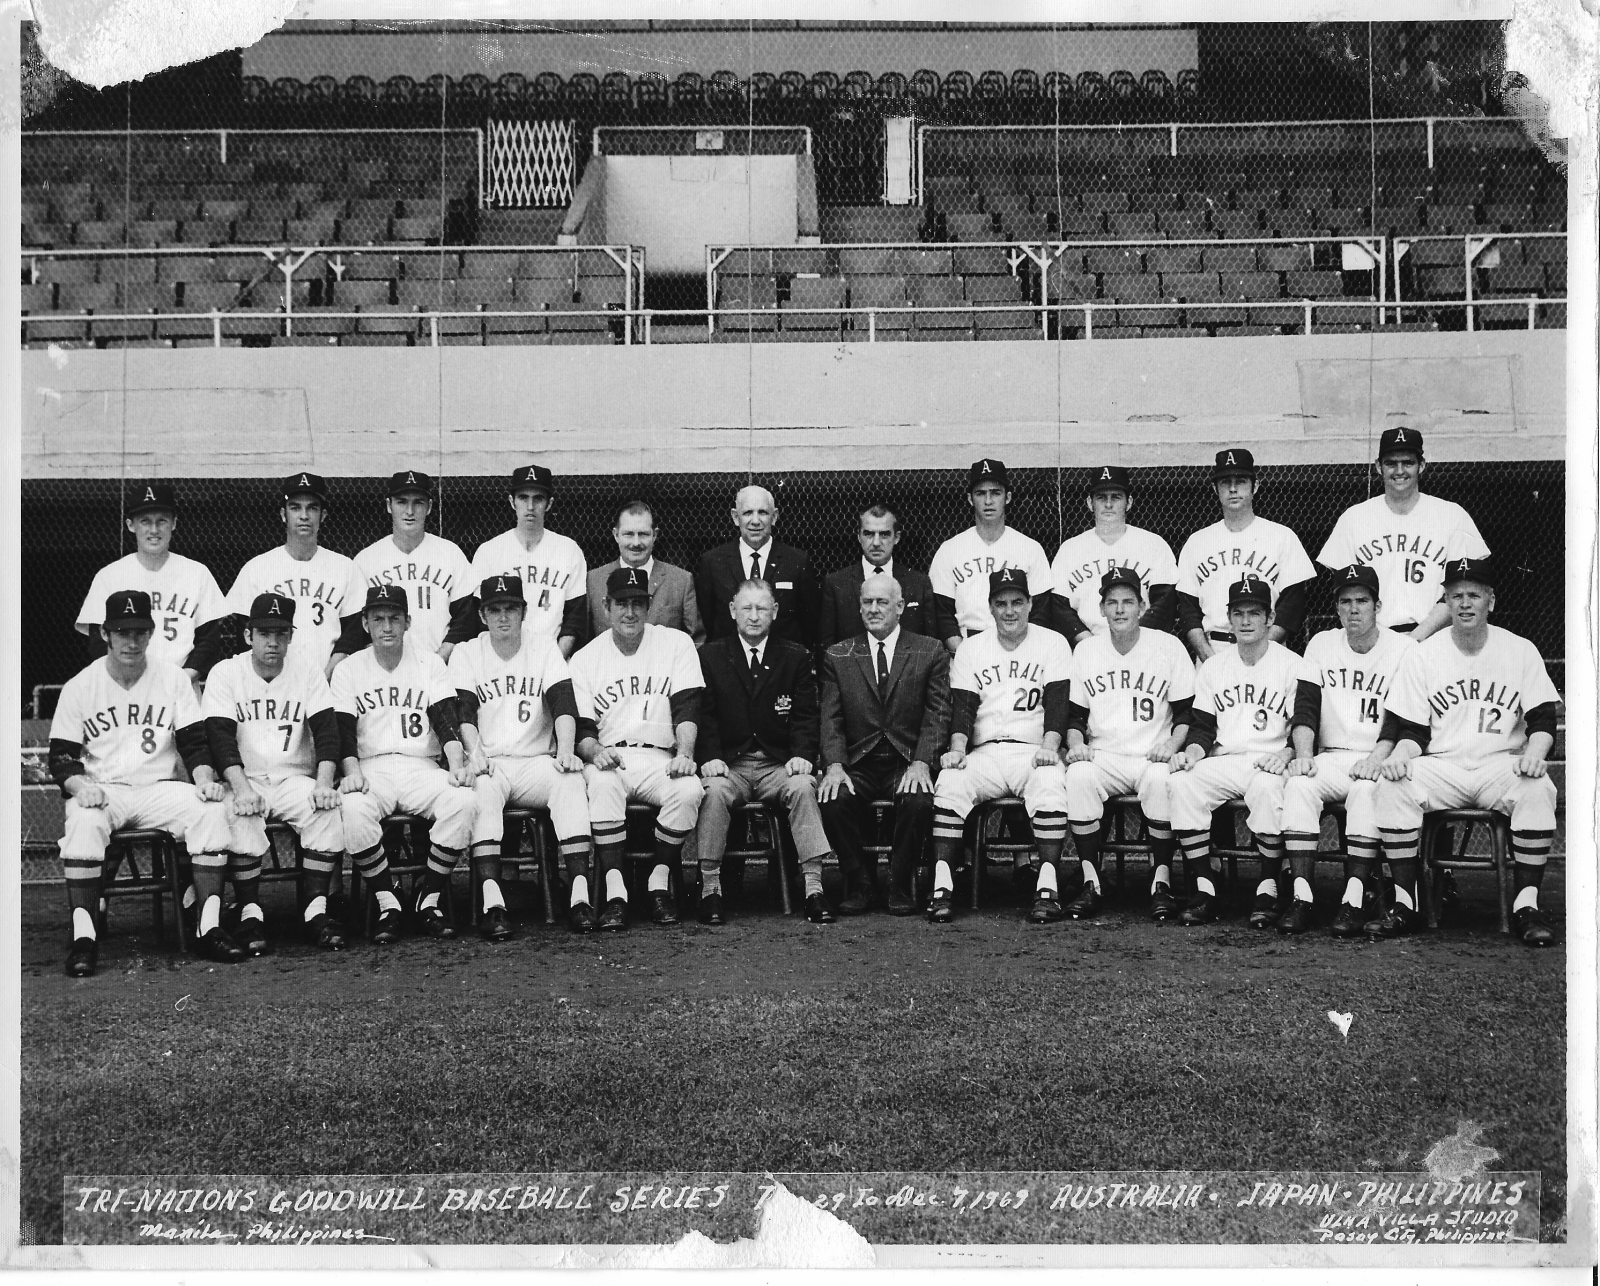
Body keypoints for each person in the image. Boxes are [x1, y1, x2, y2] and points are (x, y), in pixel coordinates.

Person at [1364, 557, 1561, 946]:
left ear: (1491, 600)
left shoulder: (1520, 650)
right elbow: (1414, 731)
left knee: (1538, 788)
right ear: (1446, 602)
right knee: (1391, 787)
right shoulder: (1423, 654)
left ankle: (1527, 905)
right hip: (1444, 766)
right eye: (1456, 596)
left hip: (1499, 764)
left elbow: (1542, 721)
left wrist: (1536, 753)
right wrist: (1401, 756)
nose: (1465, 603)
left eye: (1474, 594)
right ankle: (1407, 903)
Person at [50, 590, 242, 975]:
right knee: (83, 821)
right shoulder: (80, 686)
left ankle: (209, 927)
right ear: (104, 634)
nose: (131, 641)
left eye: (139, 631)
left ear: (152, 633)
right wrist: (79, 786)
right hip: (106, 789)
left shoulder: (172, 679)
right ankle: (84, 938)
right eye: (122, 632)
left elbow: (194, 744)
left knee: (210, 809)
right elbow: (61, 758)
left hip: (159, 788)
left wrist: (204, 779)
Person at [332, 584, 479, 943]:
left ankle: (427, 899)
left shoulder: (429, 663)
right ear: (365, 624)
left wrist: (457, 763)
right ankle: (388, 901)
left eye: (394, 618)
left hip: (421, 767)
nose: (387, 627)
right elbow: (343, 734)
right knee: (351, 808)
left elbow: (445, 720)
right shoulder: (349, 669)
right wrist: (351, 773)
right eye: (378, 619)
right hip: (372, 768)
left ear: (408, 622)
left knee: (464, 801)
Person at [450, 575, 591, 940]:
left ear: (524, 612)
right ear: (482, 615)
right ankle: (493, 903)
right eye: (494, 610)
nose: (502, 617)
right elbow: (463, 713)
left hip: (535, 761)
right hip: (492, 762)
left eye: (510, 608)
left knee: (571, 780)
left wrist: (564, 751)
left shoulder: (543, 648)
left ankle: (579, 896)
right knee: (480, 790)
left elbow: (563, 703)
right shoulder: (468, 652)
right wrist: (475, 754)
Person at [203, 593, 346, 953]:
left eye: (281, 633)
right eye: (264, 633)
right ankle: (250, 912)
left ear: (291, 637)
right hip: (245, 778)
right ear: (248, 635)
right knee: (240, 813)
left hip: (293, 777)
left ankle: (315, 911)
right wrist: (241, 788)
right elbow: (219, 739)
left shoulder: (308, 672)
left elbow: (328, 732)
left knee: (326, 809)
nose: (273, 642)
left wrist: (325, 783)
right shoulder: (226, 673)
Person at [928, 568, 1072, 923]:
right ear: (990, 608)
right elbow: (962, 709)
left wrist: (1051, 747)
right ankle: (942, 886)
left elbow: (1057, 708)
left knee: (1051, 782)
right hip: (986, 751)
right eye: (1001, 603)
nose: (1010, 611)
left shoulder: (1053, 642)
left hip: (1031, 749)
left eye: (1017, 602)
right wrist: (957, 750)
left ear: (1030, 604)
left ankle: (1048, 885)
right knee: (950, 781)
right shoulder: (972, 648)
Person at [570, 567, 706, 932]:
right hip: (610, 755)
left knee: (690, 788)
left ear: (649, 606)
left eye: (637, 604)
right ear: (606, 605)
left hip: (660, 756)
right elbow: (581, 729)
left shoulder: (675, 643)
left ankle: (657, 882)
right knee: (602, 783)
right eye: (621, 604)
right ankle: (616, 892)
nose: (629, 612)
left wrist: (686, 753)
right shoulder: (585, 658)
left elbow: (688, 707)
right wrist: (595, 750)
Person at [1281, 565, 1414, 936]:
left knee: (1366, 790)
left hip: (1380, 755)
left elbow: (1403, 716)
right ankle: (1301, 896)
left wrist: (1376, 759)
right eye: (1345, 602)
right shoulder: (1322, 643)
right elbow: (1305, 707)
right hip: (1332, 754)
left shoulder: (1403, 647)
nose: (1354, 609)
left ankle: (1354, 898)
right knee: (1298, 785)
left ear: (1377, 606)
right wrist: (1304, 755)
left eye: (1362, 601)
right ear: (1336, 608)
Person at [695, 579, 834, 925]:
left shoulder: (795, 655)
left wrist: (802, 753)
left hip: (777, 763)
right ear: (732, 612)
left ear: (774, 612)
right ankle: (710, 889)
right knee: (712, 794)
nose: (754, 616)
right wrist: (710, 755)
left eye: (761, 608)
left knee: (804, 787)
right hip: (731, 765)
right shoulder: (710, 656)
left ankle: (814, 888)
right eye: (747, 608)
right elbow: (705, 714)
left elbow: (805, 714)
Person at [1167, 575, 1303, 926]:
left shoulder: (1292, 663)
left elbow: (1302, 724)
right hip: (1226, 759)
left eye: (1254, 613)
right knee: (1183, 783)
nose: (1245, 621)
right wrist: (1193, 752)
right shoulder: (1214, 666)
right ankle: (1204, 888)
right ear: (1228, 617)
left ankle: (1268, 887)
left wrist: (1287, 754)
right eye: (1239, 613)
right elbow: (1202, 726)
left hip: (1270, 759)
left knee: (1267, 788)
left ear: (1270, 618)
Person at [1060, 568, 1194, 922]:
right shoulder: (1087, 650)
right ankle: (1091, 879)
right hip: (1105, 755)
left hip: (1152, 754)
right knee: (1078, 776)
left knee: (1162, 779)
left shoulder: (1168, 646)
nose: (1120, 610)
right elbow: (1073, 718)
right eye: (1112, 602)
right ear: (1101, 609)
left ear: (1142, 606)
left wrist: (1172, 743)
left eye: (1128, 602)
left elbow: (1186, 713)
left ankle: (1161, 880)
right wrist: (1075, 745)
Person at [819, 571, 951, 915]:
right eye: (867, 602)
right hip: (858, 762)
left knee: (920, 799)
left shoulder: (929, 650)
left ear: (901, 606)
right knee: (833, 800)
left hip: (905, 760)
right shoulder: (839, 654)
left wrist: (922, 762)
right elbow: (830, 718)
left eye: (882, 602)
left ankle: (899, 881)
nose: (874, 609)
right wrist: (834, 765)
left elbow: (937, 714)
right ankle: (859, 881)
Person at [1316, 426, 1490, 641]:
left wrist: (1416, 637)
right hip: (1374, 642)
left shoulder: (1452, 515)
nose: (1399, 471)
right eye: (1391, 463)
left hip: (1437, 639)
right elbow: (1348, 593)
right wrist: (1383, 643)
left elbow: (1463, 588)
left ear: (1421, 466)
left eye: (1408, 462)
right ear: (1379, 467)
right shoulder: (1354, 518)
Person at [75, 481, 227, 683]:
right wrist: (129, 679)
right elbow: (97, 641)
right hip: (127, 688)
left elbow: (209, 641)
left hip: (182, 689)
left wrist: (181, 679)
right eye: (145, 521)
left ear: (173, 523)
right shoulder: (109, 576)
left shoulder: (197, 573)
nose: (154, 530)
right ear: (131, 525)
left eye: (162, 521)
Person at [1174, 449, 1317, 660]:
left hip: (1269, 651)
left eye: (1240, 481)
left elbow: (1292, 605)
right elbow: (1188, 610)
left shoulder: (1281, 536)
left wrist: (1261, 649)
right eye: (1225, 482)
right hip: (1214, 649)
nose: (1232, 489)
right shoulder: (1197, 542)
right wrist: (1209, 658)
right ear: (1215, 488)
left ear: (1255, 486)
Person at [222, 472, 366, 678]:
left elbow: (353, 634)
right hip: (273, 684)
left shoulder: (345, 568)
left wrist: (327, 676)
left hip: (329, 682)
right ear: (283, 514)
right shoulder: (257, 568)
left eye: (312, 508)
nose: (304, 515)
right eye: (295, 507)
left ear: (323, 515)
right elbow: (244, 636)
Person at [455, 464, 588, 658]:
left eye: (538, 498)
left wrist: (554, 665)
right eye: (523, 498)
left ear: (549, 503)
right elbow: (479, 618)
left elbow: (574, 620)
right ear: (512, 501)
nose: (531, 507)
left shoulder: (568, 550)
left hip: (550, 657)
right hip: (500, 659)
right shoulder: (489, 552)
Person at [345, 470, 475, 662]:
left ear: (429, 507)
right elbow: (358, 629)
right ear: (389, 505)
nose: (410, 511)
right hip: (386, 672)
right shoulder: (366, 560)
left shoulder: (451, 554)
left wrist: (437, 662)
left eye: (418, 503)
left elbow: (465, 620)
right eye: (402, 502)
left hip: (441, 667)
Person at [928, 458, 1053, 654]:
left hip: (1020, 647)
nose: (988, 501)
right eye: (980, 493)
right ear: (970, 498)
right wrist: (963, 654)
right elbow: (942, 613)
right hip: (967, 644)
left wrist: (1024, 652)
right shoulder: (949, 550)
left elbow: (1040, 612)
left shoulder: (1030, 548)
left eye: (995, 493)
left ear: (1008, 497)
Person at [1049, 466, 1179, 645]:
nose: (1108, 504)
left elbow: (1165, 603)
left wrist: (1133, 641)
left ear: (1129, 502)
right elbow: (1059, 608)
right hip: (1088, 646)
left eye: (1116, 497)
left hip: (1143, 645)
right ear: (1089, 502)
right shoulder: (1070, 549)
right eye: (1101, 498)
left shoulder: (1153, 544)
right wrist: (1089, 643)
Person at [696, 484, 819, 647]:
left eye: (762, 512)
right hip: (729, 664)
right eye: (747, 513)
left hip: (783, 665)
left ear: (774, 517)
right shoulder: (713, 562)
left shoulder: (797, 561)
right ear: (735, 517)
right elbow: (707, 621)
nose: (755, 521)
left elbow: (809, 624)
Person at [586, 499, 704, 646]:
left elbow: (696, 641)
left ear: (655, 535)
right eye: (628, 534)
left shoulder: (681, 580)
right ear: (616, 535)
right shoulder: (593, 581)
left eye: (643, 534)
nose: (636, 543)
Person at [818, 502, 936, 648]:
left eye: (884, 534)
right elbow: (827, 647)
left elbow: (931, 646)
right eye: (868, 534)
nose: (876, 542)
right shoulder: (836, 584)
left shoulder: (919, 583)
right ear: (859, 536)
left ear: (897, 537)